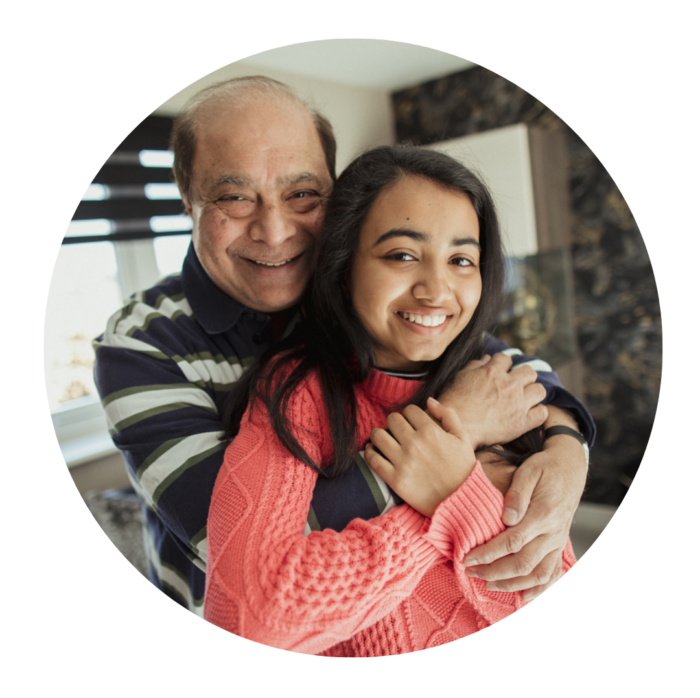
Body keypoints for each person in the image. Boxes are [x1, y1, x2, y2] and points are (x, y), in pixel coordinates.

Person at [92, 76, 594, 654]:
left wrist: (565, 448)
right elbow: (241, 550)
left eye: (302, 194)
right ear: (187, 197)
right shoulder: (142, 344)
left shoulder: (363, 295)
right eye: (234, 197)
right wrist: (454, 444)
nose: (276, 230)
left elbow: (498, 364)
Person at [204, 145, 588, 658]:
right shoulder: (297, 396)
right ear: (344, 267)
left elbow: (548, 597)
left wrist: (457, 487)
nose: (436, 290)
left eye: (461, 259)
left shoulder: (497, 386)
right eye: (402, 255)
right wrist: (441, 500)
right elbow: (252, 626)